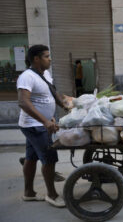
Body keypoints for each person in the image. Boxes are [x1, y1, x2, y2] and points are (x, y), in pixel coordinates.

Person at [17, 45, 66, 207]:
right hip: (35, 125)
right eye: (46, 56)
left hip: (41, 124)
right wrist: (45, 121)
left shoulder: (45, 74)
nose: (49, 59)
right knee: (49, 158)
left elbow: (52, 93)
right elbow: (24, 102)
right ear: (36, 59)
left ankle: (29, 193)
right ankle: (52, 195)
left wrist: (65, 105)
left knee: (31, 158)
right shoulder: (27, 76)